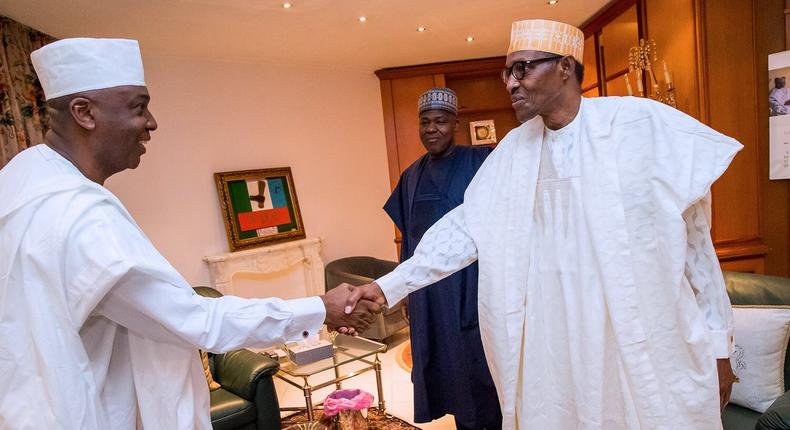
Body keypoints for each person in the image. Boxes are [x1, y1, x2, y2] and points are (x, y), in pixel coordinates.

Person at [345, 19, 741, 429]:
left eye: (523, 68)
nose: (511, 83)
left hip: (637, 334)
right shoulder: (514, 151)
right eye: (507, 73)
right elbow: (463, 229)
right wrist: (387, 286)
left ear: (565, 68)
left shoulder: (639, 125)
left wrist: (720, 346)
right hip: (552, 344)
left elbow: (697, 249)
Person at [0, 38, 377, 429]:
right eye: (138, 106)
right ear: (85, 113)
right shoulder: (78, 211)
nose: (152, 122)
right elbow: (199, 320)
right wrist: (321, 308)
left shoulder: (21, 178)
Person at [384, 88, 501, 429]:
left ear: (456, 124)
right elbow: (408, 238)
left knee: (478, 370)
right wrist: (406, 288)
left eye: (440, 121)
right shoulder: (411, 176)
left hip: (473, 291)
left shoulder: (481, 161)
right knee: (441, 368)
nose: (431, 129)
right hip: (430, 296)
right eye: (425, 122)